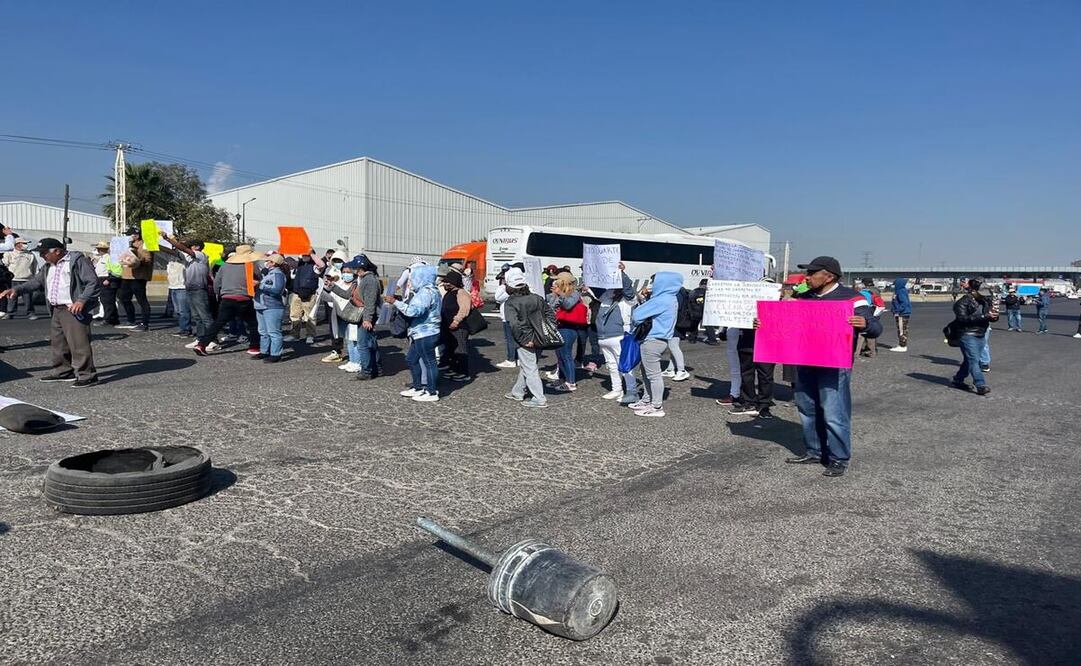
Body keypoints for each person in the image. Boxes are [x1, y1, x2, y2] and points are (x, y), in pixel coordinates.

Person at [780, 256, 881, 477]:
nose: (807, 277)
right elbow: (784, 325)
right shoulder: (802, 297)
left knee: (834, 412)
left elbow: (875, 327)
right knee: (806, 409)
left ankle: (839, 458)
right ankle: (815, 451)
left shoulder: (852, 299)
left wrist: (866, 324)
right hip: (804, 361)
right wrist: (764, 323)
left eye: (812, 273)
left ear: (829, 276)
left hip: (834, 365)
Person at [0, 238, 100, 387]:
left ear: (57, 251)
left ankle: (87, 375)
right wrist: (16, 289)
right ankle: (64, 371)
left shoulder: (77, 261)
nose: (42, 256)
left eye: (44, 253)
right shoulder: (48, 266)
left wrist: (81, 300)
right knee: (58, 344)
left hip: (73, 308)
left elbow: (92, 282)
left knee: (79, 343)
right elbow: (36, 282)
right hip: (56, 309)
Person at [191, 244, 263, 357]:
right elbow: (257, 279)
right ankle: (254, 346)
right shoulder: (250, 265)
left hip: (227, 298)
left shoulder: (225, 265)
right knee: (253, 323)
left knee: (218, 323)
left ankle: (201, 344)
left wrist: (220, 294)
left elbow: (216, 283)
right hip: (244, 298)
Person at [628, 271, 682, 418]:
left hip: (652, 340)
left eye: (655, 282)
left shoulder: (661, 299)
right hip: (661, 340)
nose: (652, 285)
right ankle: (647, 400)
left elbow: (637, 315)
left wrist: (643, 301)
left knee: (653, 374)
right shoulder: (671, 298)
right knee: (647, 372)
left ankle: (656, 406)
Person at [386, 265, 442, 402]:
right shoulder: (431, 290)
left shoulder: (426, 292)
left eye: (414, 278)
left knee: (429, 362)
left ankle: (432, 391)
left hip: (426, 332)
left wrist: (396, 302)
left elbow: (414, 311)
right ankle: (418, 387)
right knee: (411, 359)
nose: (411, 282)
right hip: (421, 332)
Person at [503, 268, 549, 408]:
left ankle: (539, 398)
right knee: (528, 365)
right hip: (540, 337)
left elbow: (514, 324)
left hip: (525, 339)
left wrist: (523, 340)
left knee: (529, 368)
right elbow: (549, 314)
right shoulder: (537, 298)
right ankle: (517, 391)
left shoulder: (510, 302)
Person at [592, 270, 639, 404]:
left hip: (619, 336)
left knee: (625, 365)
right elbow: (594, 285)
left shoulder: (628, 299)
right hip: (603, 337)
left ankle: (632, 392)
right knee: (611, 365)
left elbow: (628, 288)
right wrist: (588, 268)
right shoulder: (605, 296)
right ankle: (616, 389)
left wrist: (621, 272)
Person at [950, 277, 996, 396]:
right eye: (981, 293)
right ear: (973, 291)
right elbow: (962, 319)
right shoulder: (961, 303)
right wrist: (982, 317)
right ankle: (980, 384)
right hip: (967, 334)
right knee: (974, 360)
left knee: (969, 360)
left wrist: (993, 317)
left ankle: (958, 379)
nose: (984, 295)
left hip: (981, 333)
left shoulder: (984, 301)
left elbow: (989, 316)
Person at [547, 272, 587, 392]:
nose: (555, 283)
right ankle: (561, 378)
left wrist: (560, 294)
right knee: (559, 355)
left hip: (569, 328)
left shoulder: (574, 293)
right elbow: (552, 307)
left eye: (557, 280)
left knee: (566, 355)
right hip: (558, 327)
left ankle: (571, 382)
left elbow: (568, 305)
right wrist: (554, 295)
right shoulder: (558, 294)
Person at [352, 254, 382, 379]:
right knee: (371, 343)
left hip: (366, 316)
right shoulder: (368, 279)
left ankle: (366, 371)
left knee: (363, 344)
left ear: (360, 268)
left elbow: (370, 301)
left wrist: (367, 319)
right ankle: (376, 369)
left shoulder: (369, 280)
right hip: (368, 315)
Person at [253, 254, 288, 362]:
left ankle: (276, 354)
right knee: (263, 331)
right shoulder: (268, 274)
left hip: (273, 306)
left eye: (268, 261)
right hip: (261, 305)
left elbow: (277, 289)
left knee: (273, 331)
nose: (266, 263)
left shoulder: (278, 274)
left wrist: (260, 285)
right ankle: (264, 351)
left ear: (274, 263)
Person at [116, 231, 153, 332]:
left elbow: (148, 260)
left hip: (138, 276)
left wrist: (136, 256)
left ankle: (145, 324)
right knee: (123, 297)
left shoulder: (145, 244)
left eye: (134, 234)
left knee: (141, 300)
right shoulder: (128, 244)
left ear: (139, 234)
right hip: (126, 275)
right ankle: (131, 320)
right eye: (130, 234)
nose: (132, 236)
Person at [440, 270, 473, 381]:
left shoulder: (461, 293)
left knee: (460, 349)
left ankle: (464, 372)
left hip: (459, 327)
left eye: (447, 282)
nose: (444, 284)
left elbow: (464, 309)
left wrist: (456, 321)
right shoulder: (449, 293)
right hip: (448, 327)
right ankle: (454, 369)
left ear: (453, 282)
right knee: (451, 349)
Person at [286, 252, 323, 344]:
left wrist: (311, 253)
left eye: (306, 255)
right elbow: (290, 262)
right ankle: (294, 334)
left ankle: (310, 335)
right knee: (294, 315)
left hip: (309, 294)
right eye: (303, 255)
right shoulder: (300, 264)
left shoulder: (314, 266)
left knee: (309, 316)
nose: (304, 256)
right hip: (296, 293)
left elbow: (321, 265)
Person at [3, 237, 39, 320]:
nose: (25, 245)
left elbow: (35, 267)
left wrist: (35, 278)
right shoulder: (9, 254)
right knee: (12, 297)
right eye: (24, 243)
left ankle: (30, 313)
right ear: (17, 244)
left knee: (27, 298)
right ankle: (10, 313)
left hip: (27, 280)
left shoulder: (30, 255)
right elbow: (5, 265)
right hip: (13, 279)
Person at [662, 284, 692, 381]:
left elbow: (673, 308)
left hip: (676, 323)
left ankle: (682, 370)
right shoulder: (681, 292)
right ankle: (670, 369)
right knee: (673, 346)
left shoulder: (676, 294)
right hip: (680, 322)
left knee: (673, 346)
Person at [494, 263, 519, 369]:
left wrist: (506, 289)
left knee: (510, 339)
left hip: (508, 316)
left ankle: (511, 359)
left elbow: (498, 298)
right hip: (514, 315)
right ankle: (517, 358)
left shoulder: (505, 288)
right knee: (516, 338)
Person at [163, 246, 192, 337]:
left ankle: (187, 330)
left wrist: (165, 243)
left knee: (184, 310)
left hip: (182, 286)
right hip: (173, 286)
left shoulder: (184, 255)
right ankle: (182, 329)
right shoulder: (170, 257)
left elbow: (177, 253)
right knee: (178, 311)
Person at [854, 278, 885, 359]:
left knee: (861, 335)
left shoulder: (860, 294)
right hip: (873, 313)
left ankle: (856, 353)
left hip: (864, 314)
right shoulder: (873, 292)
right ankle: (872, 352)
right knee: (871, 334)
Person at [715, 326, 742, 406]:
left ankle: (737, 394)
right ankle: (735, 394)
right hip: (734, 327)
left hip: (751, 328)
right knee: (735, 364)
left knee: (740, 365)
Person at [889, 277, 912, 351]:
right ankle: (901, 344)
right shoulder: (900, 291)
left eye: (895, 284)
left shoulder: (900, 291)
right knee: (902, 328)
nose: (894, 286)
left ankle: (902, 346)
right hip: (902, 313)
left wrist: (897, 311)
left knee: (902, 329)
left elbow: (904, 303)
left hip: (902, 314)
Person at [689, 279, 709, 344]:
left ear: (700, 284)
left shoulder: (694, 291)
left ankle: (692, 339)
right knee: (709, 326)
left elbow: (690, 300)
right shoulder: (709, 292)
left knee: (694, 326)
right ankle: (712, 339)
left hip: (696, 311)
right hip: (706, 311)